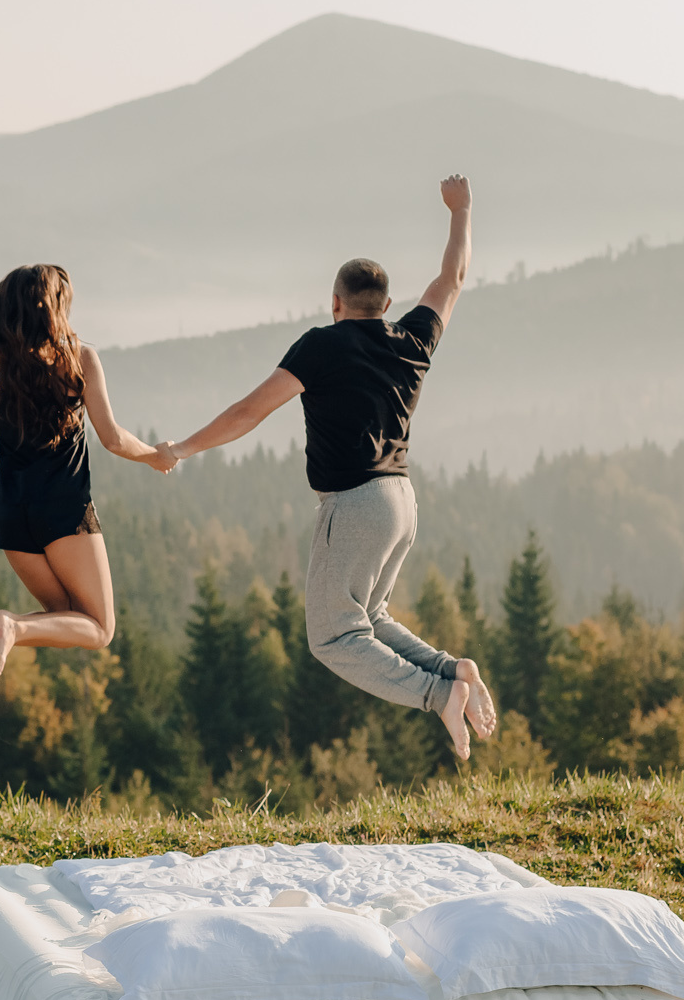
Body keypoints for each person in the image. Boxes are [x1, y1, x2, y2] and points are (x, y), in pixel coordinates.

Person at [159, 174, 499, 759]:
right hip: (402, 502)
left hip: (355, 503)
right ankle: (453, 671)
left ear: (336, 302)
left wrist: (181, 449)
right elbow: (452, 279)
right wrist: (461, 211)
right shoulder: (410, 338)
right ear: (387, 305)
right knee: (369, 617)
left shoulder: (321, 344)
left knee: (335, 637)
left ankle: (436, 693)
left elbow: (249, 411)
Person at [0, 155, 171, 693]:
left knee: (64, 617)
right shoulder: (80, 360)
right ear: (55, 311)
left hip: (12, 513)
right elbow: (113, 439)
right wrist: (156, 455)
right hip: (64, 513)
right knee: (99, 629)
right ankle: (7, 625)